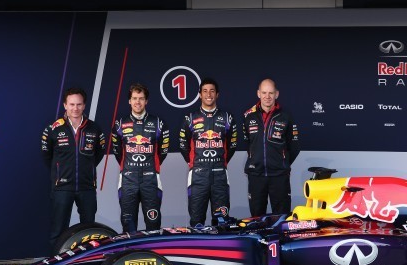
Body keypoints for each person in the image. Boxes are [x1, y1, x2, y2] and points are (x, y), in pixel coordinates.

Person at [41, 87, 106, 251]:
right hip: (62, 187)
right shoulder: (53, 129)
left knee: (89, 230)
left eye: (78, 104)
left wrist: (86, 170)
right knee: (58, 230)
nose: (75, 108)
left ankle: (87, 261)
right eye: (71, 104)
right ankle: (56, 263)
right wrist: (61, 172)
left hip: (87, 187)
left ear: (84, 105)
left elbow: (99, 154)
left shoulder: (94, 128)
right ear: (65, 105)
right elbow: (47, 156)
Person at [111, 83, 169, 232]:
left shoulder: (158, 123)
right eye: (135, 98)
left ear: (146, 101)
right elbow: (118, 152)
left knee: (153, 224)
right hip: (127, 180)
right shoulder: (120, 124)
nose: (138, 102)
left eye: (141, 98)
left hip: (151, 179)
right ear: (129, 101)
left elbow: (163, 151)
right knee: (128, 225)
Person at [179, 78, 237, 226]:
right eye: (205, 91)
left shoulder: (227, 118)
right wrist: (194, 163)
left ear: (217, 94)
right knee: (196, 221)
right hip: (198, 176)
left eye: (212, 91)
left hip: (220, 176)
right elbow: (183, 146)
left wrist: (221, 163)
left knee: (222, 222)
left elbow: (232, 145)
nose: (208, 94)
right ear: (200, 94)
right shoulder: (190, 118)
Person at [242, 78, 300, 216]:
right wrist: (255, 160)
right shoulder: (249, 117)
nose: (267, 96)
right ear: (258, 93)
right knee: (256, 219)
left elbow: (294, 146)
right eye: (264, 93)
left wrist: (281, 162)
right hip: (256, 176)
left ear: (276, 94)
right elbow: (248, 144)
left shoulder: (286, 117)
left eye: (271, 93)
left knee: (281, 218)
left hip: (279, 176)